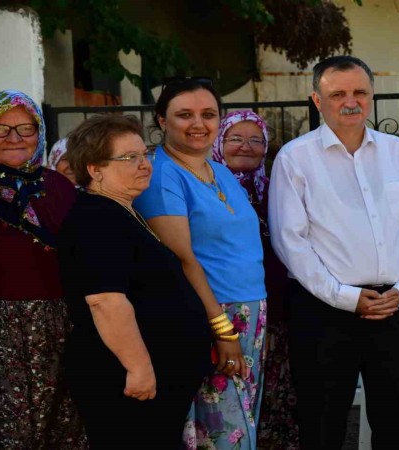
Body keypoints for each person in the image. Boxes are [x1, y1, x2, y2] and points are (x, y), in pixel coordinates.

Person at [269, 55, 399, 449]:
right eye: (337, 93)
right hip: (324, 311)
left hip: (393, 306)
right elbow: (290, 240)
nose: (350, 101)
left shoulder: (398, 152)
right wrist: (345, 298)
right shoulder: (295, 158)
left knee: (395, 423)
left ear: (371, 96)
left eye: (360, 92)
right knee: (322, 424)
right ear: (316, 99)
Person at [57, 114, 211, 448]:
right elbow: (105, 301)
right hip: (124, 379)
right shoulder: (97, 218)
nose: (144, 164)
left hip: (155, 380)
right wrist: (139, 368)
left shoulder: (123, 210)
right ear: (95, 169)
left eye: (145, 154)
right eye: (129, 157)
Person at [134, 78, 267, 450]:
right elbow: (182, 258)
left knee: (241, 422)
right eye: (184, 114)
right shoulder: (160, 175)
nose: (198, 123)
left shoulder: (218, 169)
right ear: (162, 120)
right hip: (211, 314)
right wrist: (222, 329)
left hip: (249, 311)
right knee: (220, 431)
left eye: (208, 114)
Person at [0, 89, 86, 449]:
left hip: (62, 322)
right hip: (1, 326)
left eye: (25, 128)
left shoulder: (58, 186)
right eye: (0, 129)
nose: (14, 139)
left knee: (65, 421)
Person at [211, 110, 299, 449]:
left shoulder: (278, 188)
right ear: (219, 142)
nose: (245, 146)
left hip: (279, 309)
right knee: (230, 393)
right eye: (235, 138)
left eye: (255, 139)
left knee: (279, 394)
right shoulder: (208, 186)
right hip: (228, 310)